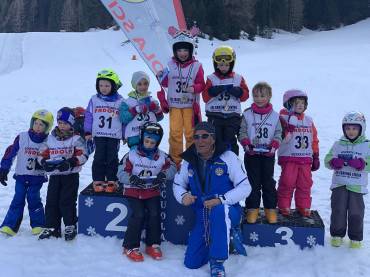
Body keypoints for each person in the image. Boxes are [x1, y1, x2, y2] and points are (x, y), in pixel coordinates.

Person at [173, 122, 251, 277]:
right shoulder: (189, 160)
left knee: (218, 211)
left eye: (204, 136)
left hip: (228, 210)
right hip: (203, 215)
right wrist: (183, 196)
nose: (199, 140)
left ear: (213, 139)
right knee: (191, 263)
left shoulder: (228, 157)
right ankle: (223, 239)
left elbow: (245, 187)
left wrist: (222, 200)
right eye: (196, 137)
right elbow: (178, 184)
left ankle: (217, 261)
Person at [118, 122, 176, 261]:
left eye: (152, 142)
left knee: (155, 214)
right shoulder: (131, 155)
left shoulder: (162, 156)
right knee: (138, 214)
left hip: (151, 191)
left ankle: (152, 244)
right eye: (147, 141)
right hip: (133, 190)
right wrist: (132, 179)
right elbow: (120, 173)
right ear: (141, 138)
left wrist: (163, 175)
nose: (149, 144)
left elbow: (172, 168)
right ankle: (130, 246)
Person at [0, 110, 54, 236]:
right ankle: (9, 225)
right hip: (21, 176)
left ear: (47, 127)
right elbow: (10, 153)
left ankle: (38, 225)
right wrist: (3, 169)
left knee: (33, 199)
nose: (38, 127)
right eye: (36, 123)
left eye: (42, 125)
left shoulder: (49, 141)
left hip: (37, 177)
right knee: (17, 199)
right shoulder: (22, 137)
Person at [38, 107, 88, 241]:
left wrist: (71, 162)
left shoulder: (76, 138)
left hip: (70, 175)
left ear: (71, 123)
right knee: (51, 201)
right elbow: (41, 153)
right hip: (55, 175)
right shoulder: (50, 138)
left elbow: (84, 154)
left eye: (65, 123)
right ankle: (51, 226)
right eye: (60, 122)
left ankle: (70, 225)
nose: (62, 125)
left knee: (67, 201)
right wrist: (43, 162)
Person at [157, 30, 205, 166]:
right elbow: (165, 83)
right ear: (175, 51)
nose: (182, 54)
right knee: (175, 134)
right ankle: (175, 162)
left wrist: (194, 88)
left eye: (185, 50)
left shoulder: (197, 66)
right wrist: (161, 75)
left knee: (190, 134)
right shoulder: (170, 65)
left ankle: (191, 161)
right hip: (175, 106)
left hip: (190, 105)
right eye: (179, 51)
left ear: (190, 50)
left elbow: (202, 84)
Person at [238, 82, 282, 224]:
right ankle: (252, 208)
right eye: (256, 95)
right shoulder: (247, 114)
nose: (259, 98)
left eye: (262, 95)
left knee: (268, 182)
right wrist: (245, 144)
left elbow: (278, 133)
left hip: (268, 155)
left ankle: (270, 209)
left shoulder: (275, 116)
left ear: (269, 96)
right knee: (253, 182)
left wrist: (274, 146)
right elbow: (242, 131)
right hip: (252, 155)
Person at [325, 111, 369, 249]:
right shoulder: (338, 144)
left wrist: (362, 164)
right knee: (338, 210)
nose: (351, 131)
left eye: (354, 128)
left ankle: (355, 238)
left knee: (356, 212)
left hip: (356, 186)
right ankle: (337, 235)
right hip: (339, 184)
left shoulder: (367, 145)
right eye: (348, 128)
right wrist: (333, 162)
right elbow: (327, 160)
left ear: (361, 129)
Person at [277, 90, 320, 217]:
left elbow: (314, 138)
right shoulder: (283, 118)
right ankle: (284, 205)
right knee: (287, 182)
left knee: (305, 183)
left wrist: (315, 155)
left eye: (302, 103)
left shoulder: (308, 120)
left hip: (305, 159)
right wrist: (289, 125)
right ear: (288, 104)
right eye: (296, 103)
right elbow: (281, 136)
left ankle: (303, 206)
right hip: (289, 158)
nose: (300, 105)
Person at [203, 45, 249, 155]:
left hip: (232, 116)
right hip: (215, 115)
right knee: (216, 139)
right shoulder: (211, 78)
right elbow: (205, 97)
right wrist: (214, 91)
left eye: (226, 65)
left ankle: (233, 162)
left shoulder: (238, 78)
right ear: (216, 64)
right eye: (221, 64)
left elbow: (245, 96)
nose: (223, 67)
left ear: (231, 64)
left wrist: (236, 91)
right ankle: (216, 162)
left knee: (230, 139)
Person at [84, 69, 124, 193]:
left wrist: (124, 134)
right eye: (101, 85)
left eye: (107, 85)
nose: (104, 88)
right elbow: (89, 115)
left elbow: (124, 119)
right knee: (99, 157)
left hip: (113, 135)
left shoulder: (120, 101)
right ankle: (98, 180)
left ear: (114, 86)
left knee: (112, 158)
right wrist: (87, 131)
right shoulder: (94, 99)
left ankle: (112, 180)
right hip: (99, 135)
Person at [119, 71, 163, 149]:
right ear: (134, 85)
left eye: (145, 83)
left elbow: (159, 118)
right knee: (135, 158)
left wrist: (157, 109)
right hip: (134, 136)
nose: (143, 87)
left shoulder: (151, 100)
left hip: (150, 136)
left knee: (150, 158)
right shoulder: (128, 101)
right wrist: (136, 110)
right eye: (139, 84)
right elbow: (123, 118)